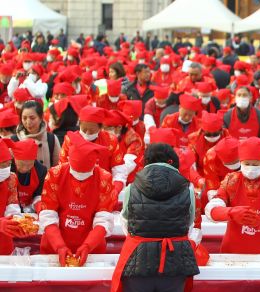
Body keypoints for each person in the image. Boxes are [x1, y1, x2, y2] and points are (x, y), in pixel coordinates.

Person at [112, 143, 201, 292]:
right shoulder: (188, 189)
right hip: (175, 260)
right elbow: (190, 222)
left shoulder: (131, 188)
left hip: (137, 259)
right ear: (172, 161)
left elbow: (126, 221)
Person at [38, 132, 115, 266]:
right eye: (76, 172)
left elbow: (103, 219)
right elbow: (48, 215)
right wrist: (59, 246)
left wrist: (87, 246)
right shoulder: (55, 174)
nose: (80, 177)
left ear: (95, 163)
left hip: (91, 250)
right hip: (54, 247)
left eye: (85, 173)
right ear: (68, 160)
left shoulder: (104, 178)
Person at [205, 137, 260, 253]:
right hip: (233, 250)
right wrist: (231, 212)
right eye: (247, 163)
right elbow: (211, 210)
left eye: (255, 164)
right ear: (241, 162)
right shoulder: (231, 180)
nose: (250, 168)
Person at [59, 106, 127, 195]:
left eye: (91, 131)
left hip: (103, 189)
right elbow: (62, 169)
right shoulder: (70, 140)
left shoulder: (111, 141)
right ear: (79, 124)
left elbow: (119, 171)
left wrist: (115, 189)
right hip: (74, 190)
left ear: (101, 127)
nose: (87, 134)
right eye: (84, 130)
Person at [13, 100, 60, 169]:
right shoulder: (15, 140)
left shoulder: (51, 139)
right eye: (24, 118)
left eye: (32, 118)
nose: (28, 122)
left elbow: (57, 167)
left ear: (41, 118)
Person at [4, 138, 47, 213]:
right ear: (14, 159)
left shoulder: (41, 170)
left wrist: (38, 206)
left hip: (30, 210)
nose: (25, 168)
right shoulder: (7, 169)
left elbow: (38, 194)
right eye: (21, 164)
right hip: (9, 209)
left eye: (29, 165)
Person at [0, 139, 24, 255]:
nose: (5, 170)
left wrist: (17, 221)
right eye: (1, 166)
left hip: (3, 239)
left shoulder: (11, 178)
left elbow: (12, 205)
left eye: (8, 165)